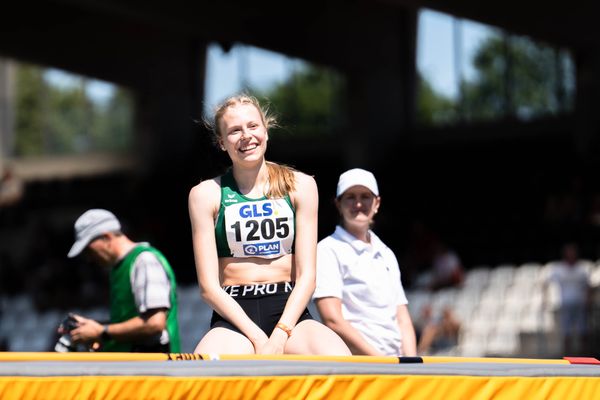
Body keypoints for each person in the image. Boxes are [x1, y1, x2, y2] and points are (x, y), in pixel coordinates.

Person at [188, 94, 350, 355]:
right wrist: (258, 338)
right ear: (221, 142)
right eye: (234, 131)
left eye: (253, 126)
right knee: (205, 372)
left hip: (289, 312)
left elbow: (308, 276)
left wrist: (279, 336)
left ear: (266, 130)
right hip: (235, 317)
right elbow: (208, 287)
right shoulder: (205, 194)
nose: (246, 136)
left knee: (338, 359)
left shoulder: (301, 185)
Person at [312, 168, 417, 356]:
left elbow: (402, 318)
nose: (358, 203)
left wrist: (410, 365)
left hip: (395, 366)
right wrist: (380, 361)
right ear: (338, 204)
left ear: (377, 203)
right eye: (350, 197)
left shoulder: (386, 253)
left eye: (365, 196)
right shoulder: (327, 250)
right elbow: (332, 319)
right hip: (360, 366)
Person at [64, 208, 181, 352]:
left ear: (106, 238)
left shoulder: (144, 261)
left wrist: (101, 331)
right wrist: (93, 328)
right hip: (138, 367)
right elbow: (129, 321)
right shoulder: (119, 268)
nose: (88, 258)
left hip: (155, 369)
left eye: (88, 249)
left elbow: (154, 323)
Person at [544, 242, 591, 355]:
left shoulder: (581, 269)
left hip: (580, 304)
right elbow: (546, 283)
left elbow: (587, 286)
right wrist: (546, 299)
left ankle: (584, 356)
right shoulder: (559, 269)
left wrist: (588, 300)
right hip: (565, 304)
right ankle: (567, 356)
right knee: (566, 331)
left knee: (582, 331)